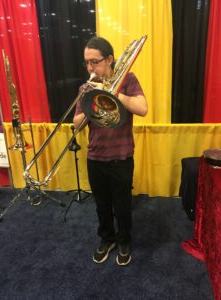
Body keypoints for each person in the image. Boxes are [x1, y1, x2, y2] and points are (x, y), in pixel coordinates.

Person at [73, 36, 148, 266]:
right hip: (95, 156)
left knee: (122, 205)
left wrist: (113, 92)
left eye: (94, 62)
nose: (90, 67)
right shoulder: (86, 87)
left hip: (121, 157)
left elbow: (142, 108)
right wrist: (92, 100)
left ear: (109, 60)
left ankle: (124, 241)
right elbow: (77, 124)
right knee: (101, 205)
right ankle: (107, 239)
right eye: (86, 62)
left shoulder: (128, 79)